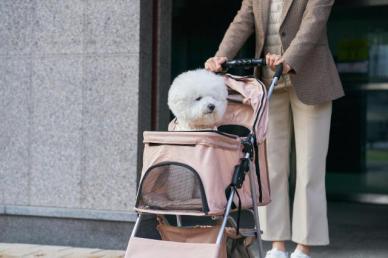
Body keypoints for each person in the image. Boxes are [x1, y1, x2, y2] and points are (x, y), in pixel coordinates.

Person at [205, 1, 344, 258]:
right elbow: (243, 20)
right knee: (272, 168)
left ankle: (304, 246)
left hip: (311, 80)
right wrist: (221, 55)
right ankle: (277, 244)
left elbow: (314, 21)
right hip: (270, 84)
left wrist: (289, 59)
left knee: (309, 168)